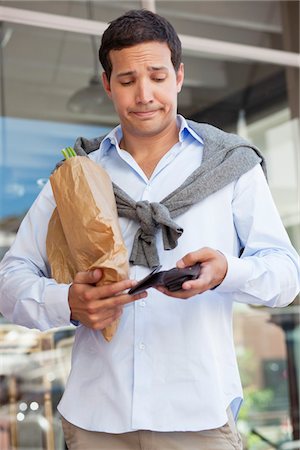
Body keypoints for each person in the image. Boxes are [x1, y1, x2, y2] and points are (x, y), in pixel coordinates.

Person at [0, 9, 299, 450]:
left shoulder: (231, 166)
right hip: (95, 417)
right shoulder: (75, 174)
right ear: (107, 84)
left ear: (178, 76)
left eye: (157, 77)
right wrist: (67, 301)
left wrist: (227, 273)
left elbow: (286, 275)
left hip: (197, 416)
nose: (144, 95)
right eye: (126, 81)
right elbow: (10, 281)